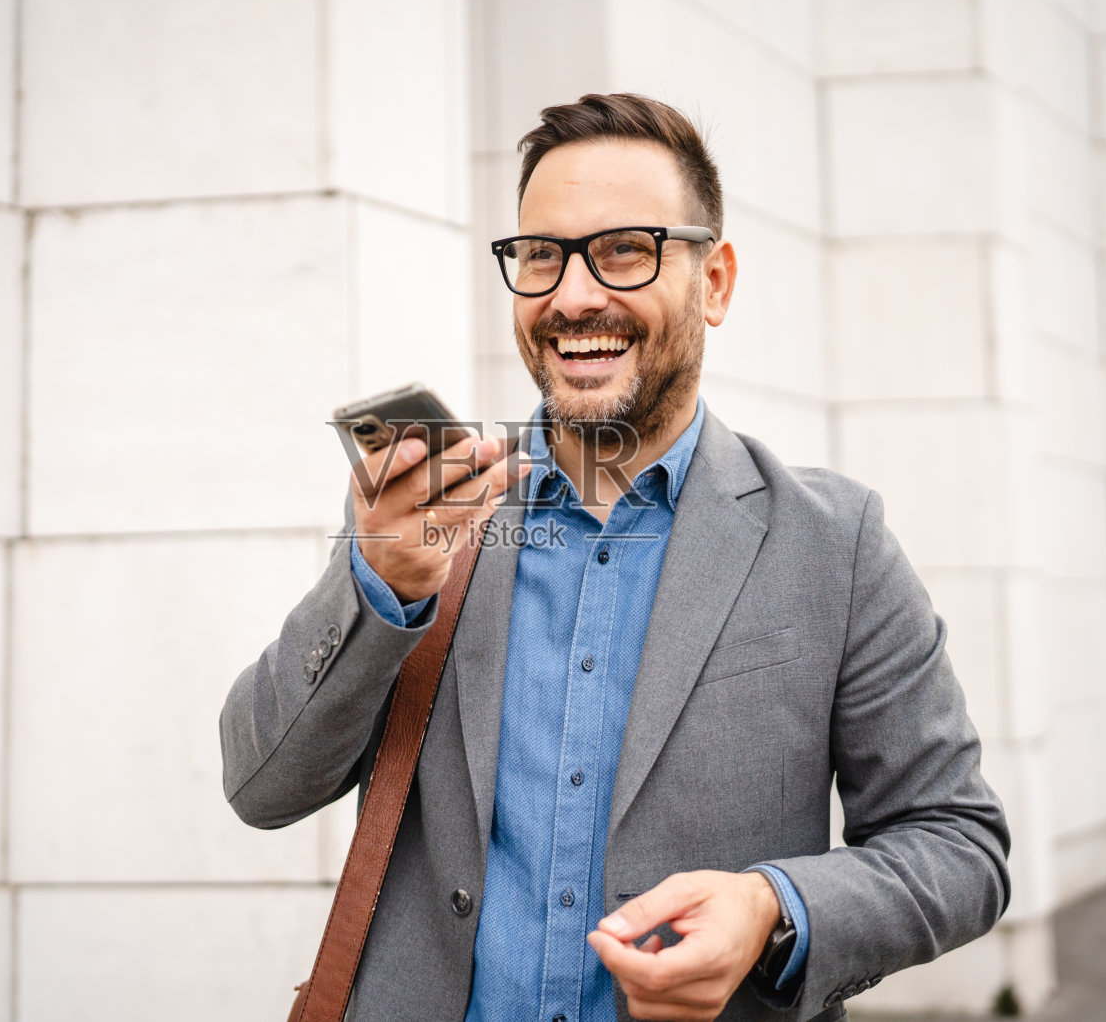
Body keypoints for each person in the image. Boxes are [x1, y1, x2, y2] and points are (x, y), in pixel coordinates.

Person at [221, 93, 1009, 1022]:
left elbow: (959, 843)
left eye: (626, 249)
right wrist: (378, 587)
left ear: (714, 282)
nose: (573, 295)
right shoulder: (433, 516)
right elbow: (261, 784)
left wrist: (773, 909)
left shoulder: (834, 543)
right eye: (542, 255)